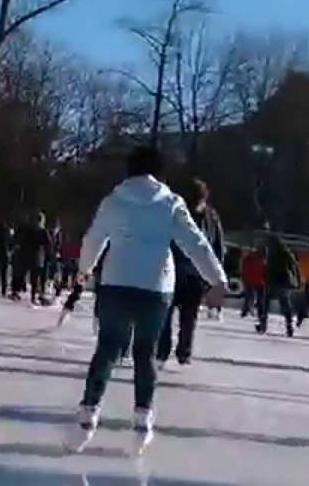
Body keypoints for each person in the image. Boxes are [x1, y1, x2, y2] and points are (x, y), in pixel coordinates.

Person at [69, 147, 227, 455]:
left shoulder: (114, 201)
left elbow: (94, 238)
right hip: (155, 287)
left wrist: (84, 269)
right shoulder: (170, 203)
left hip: (116, 282)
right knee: (146, 352)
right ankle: (143, 419)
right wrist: (217, 278)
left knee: (108, 348)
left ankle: (88, 415)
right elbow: (195, 241)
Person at [156, 178, 225, 368]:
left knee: (169, 315)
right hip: (194, 273)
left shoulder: (175, 212)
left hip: (176, 271)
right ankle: (182, 352)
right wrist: (215, 275)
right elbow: (218, 247)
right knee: (188, 317)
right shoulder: (210, 216)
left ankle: (165, 352)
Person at [259, 234, 302, 336]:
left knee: (266, 303)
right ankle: (289, 326)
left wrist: (298, 279)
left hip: (275, 281)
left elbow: (294, 265)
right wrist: (298, 279)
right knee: (284, 304)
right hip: (281, 281)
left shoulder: (274, 252)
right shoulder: (282, 252)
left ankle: (263, 324)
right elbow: (295, 265)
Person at [11, 211, 51, 306]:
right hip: (37, 258)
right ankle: (33, 297)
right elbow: (48, 245)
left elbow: (17, 240)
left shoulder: (26, 229)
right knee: (35, 279)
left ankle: (16, 292)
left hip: (25, 256)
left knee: (21, 275)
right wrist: (49, 256)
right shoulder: (43, 231)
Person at [240, 245, 266, 318]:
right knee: (260, 299)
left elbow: (244, 267)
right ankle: (259, 313)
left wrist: (244, 277)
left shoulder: (250, 257)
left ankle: (245, 311)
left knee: (249, 296)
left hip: (250, 279)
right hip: (260, 281)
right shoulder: (264, 259)